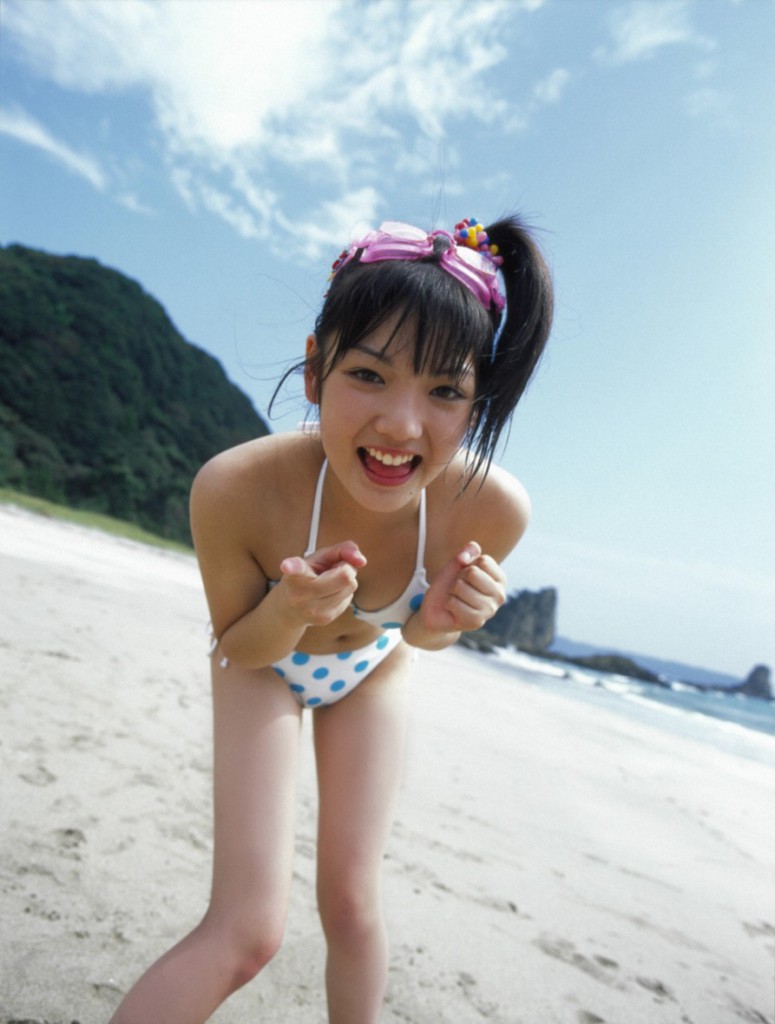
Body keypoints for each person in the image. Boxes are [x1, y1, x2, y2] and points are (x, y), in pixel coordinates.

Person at [109, 215, 553, 1023]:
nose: (401, 425)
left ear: (475, 402)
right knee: (247, 932)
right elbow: (238, 646)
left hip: (372, 673)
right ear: (315, 370)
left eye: (444, 391)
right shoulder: (234, 488)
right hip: (260, 666)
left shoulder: (490, 507)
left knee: (351, 905)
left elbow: (418, 636)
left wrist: (447, 619)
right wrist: (287, 608)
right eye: (369, 374)